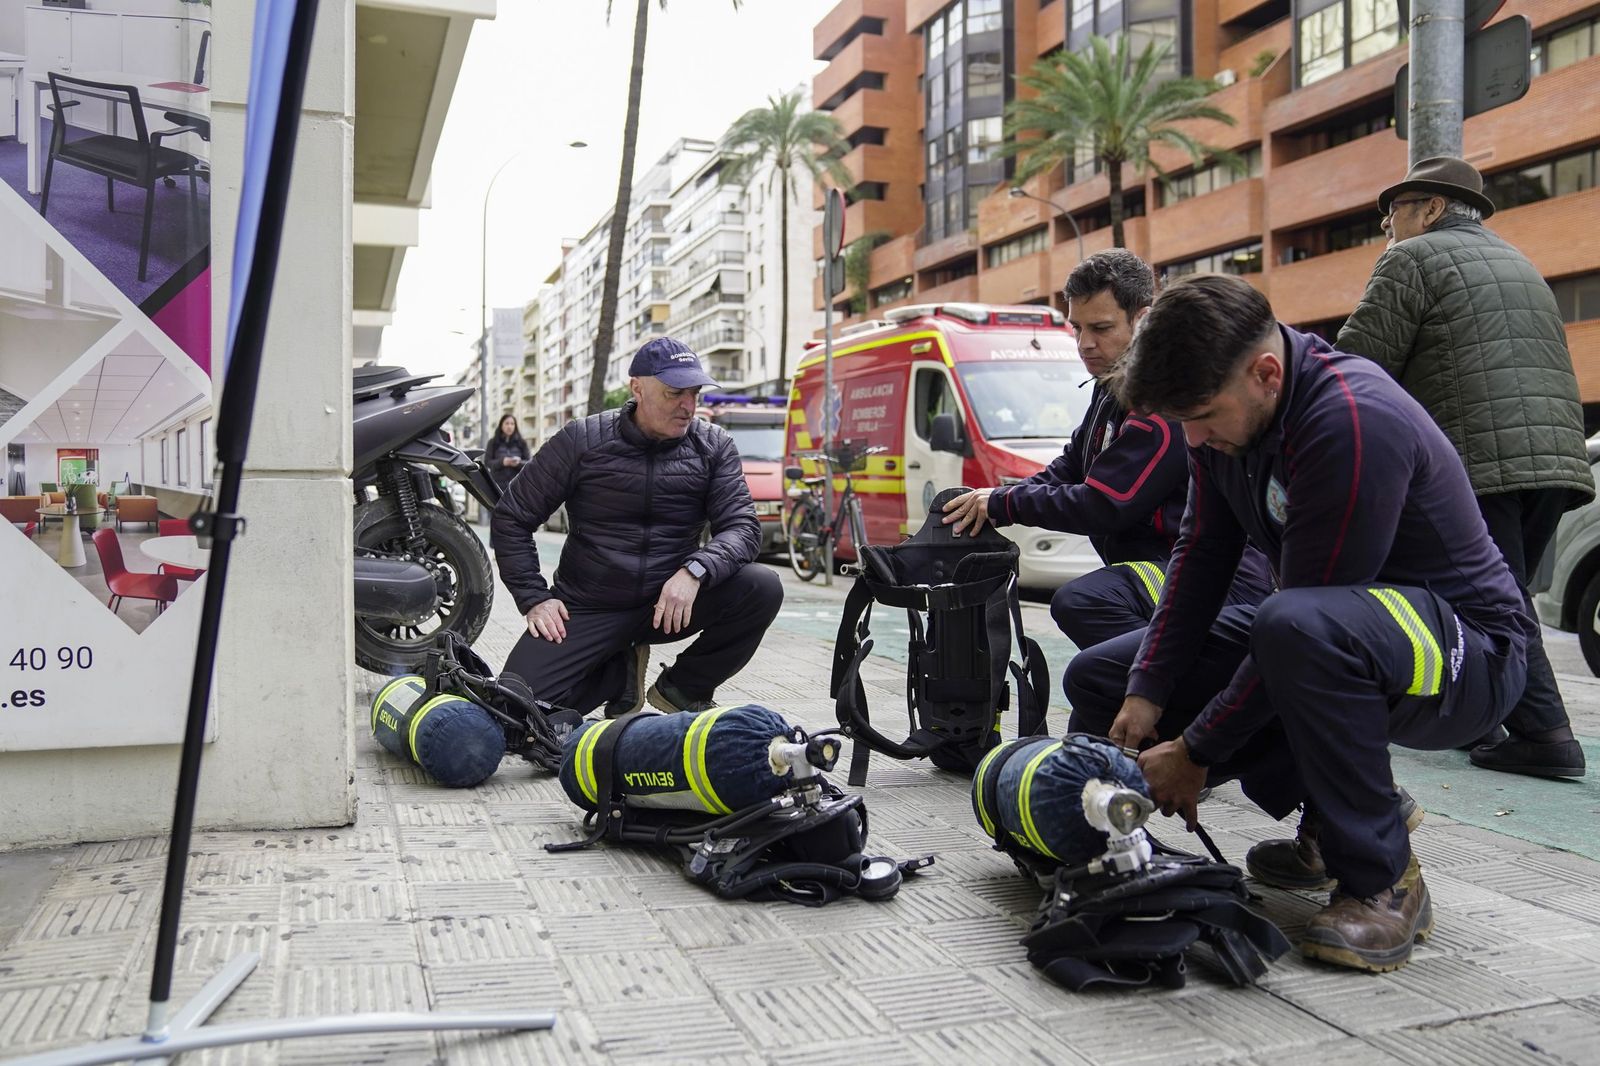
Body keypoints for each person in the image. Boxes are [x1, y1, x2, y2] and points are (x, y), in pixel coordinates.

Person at [1065, 274, 1531, 973]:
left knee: (1292, 628)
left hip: (1471, 655)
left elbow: (1304, 623)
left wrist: (1194, 750)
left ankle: (1382, 876)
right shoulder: (1226, 419)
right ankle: (1339, 814)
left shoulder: (1349, 419)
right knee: (1101, 675)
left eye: (1201, 416)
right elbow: (1201, 555)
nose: (1194, 438)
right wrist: (1146, 689)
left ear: (1266, 372)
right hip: (1342, 626)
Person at [1336, 156, 1591, 780]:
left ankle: (1547, 735)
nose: (1386, 226)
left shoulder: (1412, 259)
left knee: (1492, 606)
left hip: (1480, 462)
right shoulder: (1517, 261)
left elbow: (1357, 363)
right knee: (1501, 599)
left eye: (1393, 210)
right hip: (1554, 461)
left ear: (1432, 208)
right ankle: (1488, 720)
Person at [941, 249, 1273, 652]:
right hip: (1163, 567)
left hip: (1220, 579)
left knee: (1081, 604)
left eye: (1100, 327)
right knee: (1091, 694)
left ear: (1143, 318)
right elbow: (1071, 465)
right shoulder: (1109, 387)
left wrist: (1004, 504)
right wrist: (993, 499)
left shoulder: (1161, 398)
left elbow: (1106, 503)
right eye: (1077, 327)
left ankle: (1178, 693)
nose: (1084, 344)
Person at [491, 336, 782, 717]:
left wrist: (695, 571)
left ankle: (682, 688)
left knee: (761, 586)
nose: (688, 406)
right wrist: (534, 598)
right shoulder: (581, 441)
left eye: (695, 393)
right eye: (675, 392)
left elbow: (742, 527)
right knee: (513, 712)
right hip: (589, 606)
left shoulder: (713, 446)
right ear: (637, 388)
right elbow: (513, 516)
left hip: (671, 604)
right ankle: (618, 675)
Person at [484, 414, 531, 551]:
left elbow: (529, 462)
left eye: (512, 423)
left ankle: (514, 547)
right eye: (507, 423)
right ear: (501, 425)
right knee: (497, 517)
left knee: (515, 518)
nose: (509, 426)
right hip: (497, 485)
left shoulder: (521, 443)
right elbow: (487, 462)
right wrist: (502, 462)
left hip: (516, 486)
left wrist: (517, 463)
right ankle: (495, 548)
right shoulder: (493, 442)